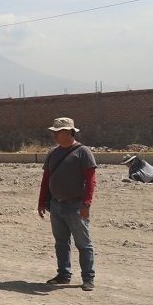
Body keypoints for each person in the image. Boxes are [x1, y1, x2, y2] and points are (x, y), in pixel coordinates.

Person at [37, 117, 96, 292]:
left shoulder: (83, 152)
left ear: (69, 132)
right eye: (53, 131)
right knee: (61, 242)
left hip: (76, 206)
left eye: (58, 131)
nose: (54, 135)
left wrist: (86, 204)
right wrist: (41, 202)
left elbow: (91, 181)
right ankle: (64, 275)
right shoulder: (53, 153)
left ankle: (88, 278)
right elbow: (46, 179)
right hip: (56, 205)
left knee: (83, 244)